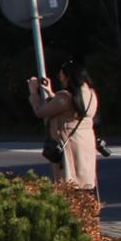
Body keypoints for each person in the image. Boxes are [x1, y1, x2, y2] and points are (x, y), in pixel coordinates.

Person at [30, 59, 100, 190]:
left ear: (68, 77)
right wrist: (51, 93)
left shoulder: (65, 97)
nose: (61, 79)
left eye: (61, 76)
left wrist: (34, 92)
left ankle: (73, 209)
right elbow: (66, 108)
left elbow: (41, 112)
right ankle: (86, 208)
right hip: (86, 145)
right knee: (85, 183)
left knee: (69, 184)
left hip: (69, 147)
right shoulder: (91, 94)